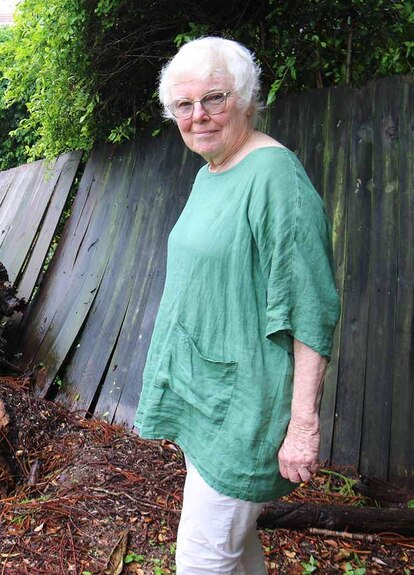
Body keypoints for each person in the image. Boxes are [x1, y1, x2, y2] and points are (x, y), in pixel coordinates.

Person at [133, 37, 340, 574]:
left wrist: (302, 426)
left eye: (214, 98)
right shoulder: (211, 171)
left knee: (202, 560)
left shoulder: (274, 177)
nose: (198, 116)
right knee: (235, 551)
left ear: (246, 99)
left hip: (247, 411)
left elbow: (310, 308)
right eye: (184, 105)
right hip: (210, 401)